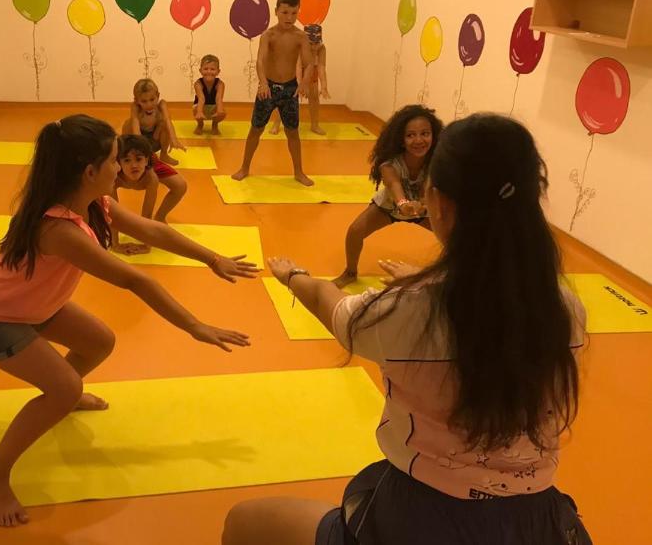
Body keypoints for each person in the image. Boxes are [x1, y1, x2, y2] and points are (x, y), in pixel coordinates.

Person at [222, 113, 591, 545]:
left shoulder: (406, 312)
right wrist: (423, 283)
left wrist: (293, 275)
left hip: (418, 520)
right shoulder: (567, 309)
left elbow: (328, 302)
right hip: (536, 524)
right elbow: (492, 315)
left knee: (241, 522)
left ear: (438, 202)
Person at [0, 115, 257, 528]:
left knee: (99, 342)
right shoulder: (60, 230)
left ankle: (62, 396)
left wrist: (212, 258)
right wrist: (194, 326)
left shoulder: (95, 203)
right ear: (90, 172)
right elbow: (134, 279)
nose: (121, 168)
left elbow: (153, 231)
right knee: (66, 387)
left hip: (30, 305)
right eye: (115, 160)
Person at [331, 104, 443, 288]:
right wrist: (403, 204)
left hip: (423, 211)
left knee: (455, 236)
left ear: (433, 135)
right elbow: (393, 185)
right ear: (401, 140)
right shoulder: (389, 164)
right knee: (355, 231)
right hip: (389, 207)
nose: (419, 140)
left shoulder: (435, 162)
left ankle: (448, 274)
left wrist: (422, 206)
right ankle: (350, 272)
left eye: (425, 133)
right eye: (411, 135)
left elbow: (428, 189)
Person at [231, 0, 314, 186]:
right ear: (276, 11)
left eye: (294, 13)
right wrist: (263, 83)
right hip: (268, 88)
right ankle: (244, 167)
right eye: (285, 12)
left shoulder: (301, 36)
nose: (289, 17)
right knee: (256, 129)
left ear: (298, 12)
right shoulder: (268, 35)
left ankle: (299, 172)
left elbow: (309, 62)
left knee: (292, 132)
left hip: (290, 89)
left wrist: (304, 82)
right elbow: (260, 60)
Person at [111, 134, 188, 254]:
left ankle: (160, 217)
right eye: (127, 160)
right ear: (119, 163)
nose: (133, 165)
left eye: (138, 160)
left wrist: (146, 245)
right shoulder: (113, 176)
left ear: (147, 161)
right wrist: (115, 244)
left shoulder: (151, 177)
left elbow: (147, 213)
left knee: (180, 185)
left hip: (148, 163)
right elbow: (111, 211)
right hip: (126, 163)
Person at [270, 24, 330, 136]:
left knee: (314, 97)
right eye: (311, 44)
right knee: (286, 98)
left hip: (311, 71)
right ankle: (276, 124)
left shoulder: (321, 49)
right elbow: (298, 68)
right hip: (293, 71)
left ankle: (315, 125)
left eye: (316, 43)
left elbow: (321, 68)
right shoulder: (300, 48)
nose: (314, 47)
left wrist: (324, 86)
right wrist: (301, 85)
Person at [124, 78, 185, 165]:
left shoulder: (161, 104)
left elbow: (168, 120)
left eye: (152, 99)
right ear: (136, 100)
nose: (149, 105)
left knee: (164, 123)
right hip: (140, 141)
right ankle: (131, 155)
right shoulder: (136, 107)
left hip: (155, 138)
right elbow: (135, 128)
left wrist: (174, 139)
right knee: (128, 123)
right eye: (144, 101)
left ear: (158, 96)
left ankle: (164, 155)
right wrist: (141, 148)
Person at [193, 54, 227, 135]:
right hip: (201, 106)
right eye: (205, 69)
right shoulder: (198, 83)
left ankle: (215, 125)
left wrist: (219, 110)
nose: (209, 71)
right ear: (200, 70)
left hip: (214, 106)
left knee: (222, 111)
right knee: (196, 110)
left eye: (212, 69)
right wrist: (199, 112)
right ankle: (200, 124)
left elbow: (219, 98)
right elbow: (201, 98)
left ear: (218, 71)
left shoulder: (220, 84)